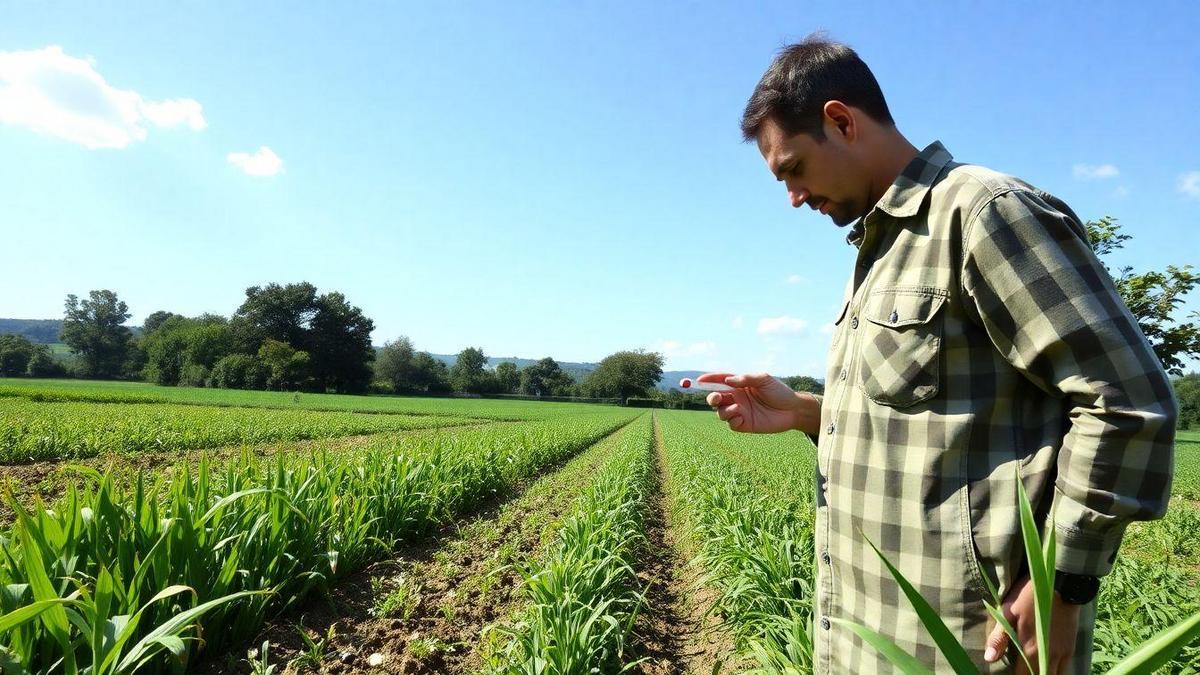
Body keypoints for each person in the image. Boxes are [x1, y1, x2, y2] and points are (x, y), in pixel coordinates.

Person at [707, 35, 1178, 674]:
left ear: (840, 121)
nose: (792, 196)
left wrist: (1063, 587)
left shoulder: (983, 213)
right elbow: (937, 418)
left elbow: (1126, 401)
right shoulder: (881, 248)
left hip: (964, 646)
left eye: (792, 169)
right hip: (871, 638)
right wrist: (809, 414)